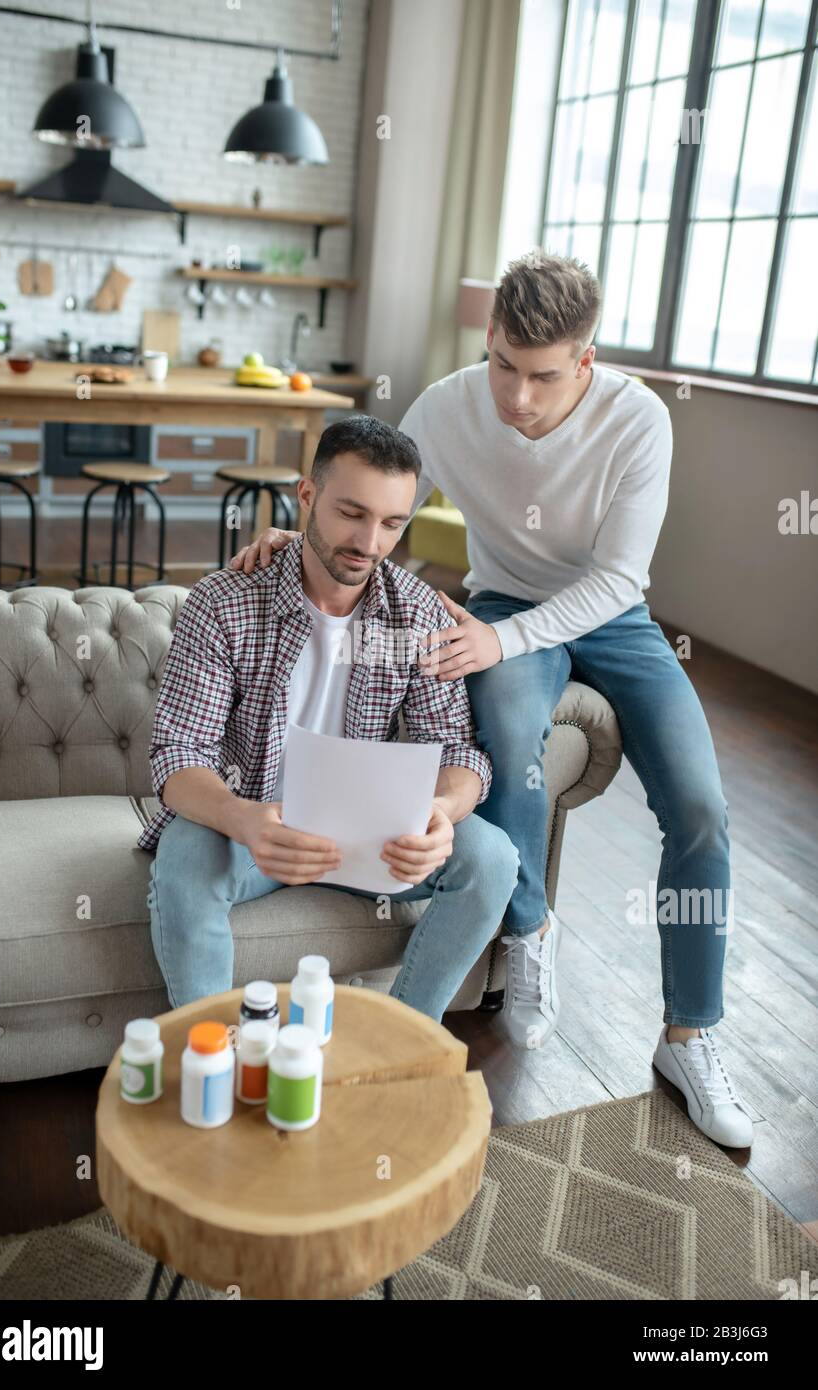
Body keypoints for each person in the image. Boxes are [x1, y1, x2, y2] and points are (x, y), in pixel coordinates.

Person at [228, 250, 753, 1149]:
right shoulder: (448, 405)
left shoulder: (638, 421)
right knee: (506, 736)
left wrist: (498, 638)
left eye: (543, 376)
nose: (515, 395)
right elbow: (376, 501)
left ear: (586, 362)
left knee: (702, 808)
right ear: (489, 340)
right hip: (507, 597)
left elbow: (619, 575)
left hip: (614, 615)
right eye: (504, 363)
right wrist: (302, 530)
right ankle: (530, 928)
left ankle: (689, 1037)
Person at [139, 414, 519, 1024]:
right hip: (255, 830)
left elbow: (459, 753)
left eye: (392, 523)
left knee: (493, 856)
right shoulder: (227, 600)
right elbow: (177, 753)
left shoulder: (415, 613)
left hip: (376, 838)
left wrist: (442, 813)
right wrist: (244, 820)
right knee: (185, 851)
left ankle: (401, 1041)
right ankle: (216, 1054)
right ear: (307, 496)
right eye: (352, 513)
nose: (369, 542)